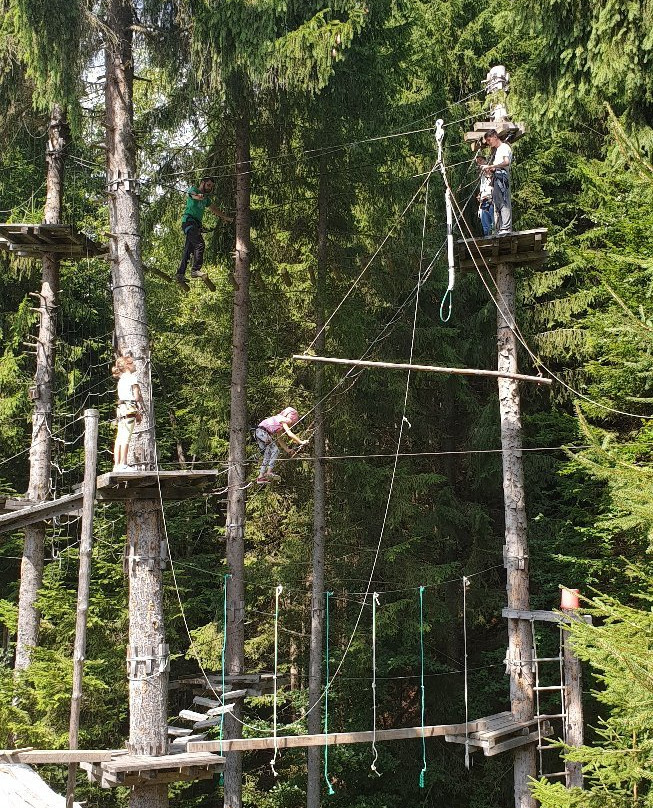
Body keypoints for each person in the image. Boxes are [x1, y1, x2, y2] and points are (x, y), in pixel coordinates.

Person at [176, 177, 233, 284]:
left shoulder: (206, 199)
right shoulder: (194, 189)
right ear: (202, 183)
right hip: (189, 222)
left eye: (211, 186)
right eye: (208, 185)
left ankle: (180, 274)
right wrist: (200, 196)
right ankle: (195, 270)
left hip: (195, 225)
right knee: (200, 244)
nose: (210, 188)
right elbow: (193, 195)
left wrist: (225, 217)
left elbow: (214, 209)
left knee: (188, 249)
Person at [255, 407, 308, 484]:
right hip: (262, 432)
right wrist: (301, 442)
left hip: (258, 432)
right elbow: (289, 433)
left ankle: (260, 477)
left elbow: (280, 440)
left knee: (268, 454)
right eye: (292, 423)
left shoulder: (278, 421)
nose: (291, 425)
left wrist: (287, 450)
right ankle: (269, 472)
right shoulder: (284, 420)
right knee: (275, 450)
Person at [112, 355, 145, 472]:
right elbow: (136, 397)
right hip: (129, 408)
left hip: (121, 409)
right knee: (126, 437)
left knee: (119, 437)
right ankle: (123, 464)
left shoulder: (121, 380)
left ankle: (117, 464)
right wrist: (139, 406)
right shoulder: (132, 378)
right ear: (127, 366)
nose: (135, 365)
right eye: (132, 363)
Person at [483, 129, 513, 235]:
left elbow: (506, 162)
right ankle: (501, 227)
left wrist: (492, 166)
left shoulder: (504, 147)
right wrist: (490, 169)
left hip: (502, 176)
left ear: (495, 137)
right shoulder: (498, 150)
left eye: (489, 140)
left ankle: (506, 227)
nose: (489, 143)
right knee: (498, 201)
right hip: (497, 176)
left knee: (504, 201)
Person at [475, 154, 494, 237]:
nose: (479, 163)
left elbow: (489, 173)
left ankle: (494, 235)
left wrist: (484, 168)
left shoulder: (490, 169)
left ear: (484, 160)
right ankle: (487, 237)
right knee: (485, 223)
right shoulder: (482, 175)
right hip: (483, 200)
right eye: (477, 162)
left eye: (480, 161)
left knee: (493, 221)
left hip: (491, 198)